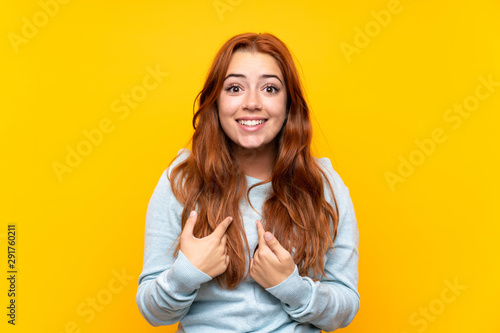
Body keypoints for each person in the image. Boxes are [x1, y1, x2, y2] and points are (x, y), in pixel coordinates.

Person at [136, 32, 360, 332]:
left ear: (289, 104)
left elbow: (344, 308)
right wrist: (186, 274)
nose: (252, 103)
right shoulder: (181, 182)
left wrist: (291, 287)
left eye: (269, 88)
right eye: (235, 88)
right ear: (215, 101)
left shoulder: (323, 185)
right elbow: (154, 313)